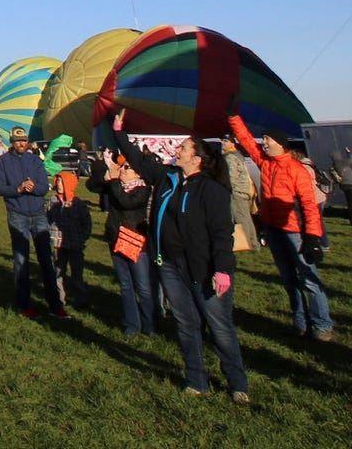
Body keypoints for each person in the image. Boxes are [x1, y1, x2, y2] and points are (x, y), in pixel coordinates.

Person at [103, 112, 249, 403]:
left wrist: (222, 269)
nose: (177, 150)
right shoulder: (168, 178)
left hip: (205, 266)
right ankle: (196, 379)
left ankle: (237, 383)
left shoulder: (212, 190)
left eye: (183, 148)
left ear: (197, 159)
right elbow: (139, 159)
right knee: (186, 324)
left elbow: (222, 234)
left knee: (219, 327)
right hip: (170, 264)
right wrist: (119, 131)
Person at [228, 111, 333, 341]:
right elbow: (247, 141)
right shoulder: (266, 165)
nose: (263, 143)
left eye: (267, 139)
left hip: (295, 231)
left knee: (308, 278)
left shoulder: (296, 170)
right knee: (288, 278)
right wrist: (233, 116)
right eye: (263, 139)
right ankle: (300, 321)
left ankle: (322, 324)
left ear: (280, 144)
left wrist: (313, 236)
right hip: (273, 229)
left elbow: (309, 205)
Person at [0, 126, 62, 319]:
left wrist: (34, 187)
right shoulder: (3, 162)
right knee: (21, 259)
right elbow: (0, 188)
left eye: (24, 140)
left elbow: (44, 186)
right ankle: (25, 305)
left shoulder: (35, 161)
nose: (21, 144)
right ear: (11, 142)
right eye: (17, 141)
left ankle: (55, 304)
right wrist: (19, 188)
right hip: (18, 213)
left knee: (46, 259)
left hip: (38, 213)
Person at [93, 148, 157, 337]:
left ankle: (149, 324)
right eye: (122, 166)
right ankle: (132, 324)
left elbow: (126, 202)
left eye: (127, 168)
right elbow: (92, 185)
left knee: (143, 286)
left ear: (138, 173)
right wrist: (103, 167)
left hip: (136, 242)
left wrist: (113, 181)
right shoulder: (115, 186)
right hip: (116, 239)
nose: (122, 170)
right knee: (126, 285)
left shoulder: (142, 190)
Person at [48, 170, 92, 309]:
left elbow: (87, 223)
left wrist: (82, 238)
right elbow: (47, 220)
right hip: (57, 244)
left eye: (62, 181)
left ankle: (80, 299)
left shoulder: (78, 204)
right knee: (58, 272)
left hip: (75, 244)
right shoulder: (53, 201)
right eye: (57, 181)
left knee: (77, 274)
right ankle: (59, 298)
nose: (58, 184)